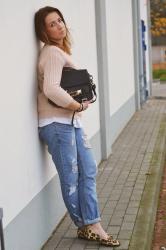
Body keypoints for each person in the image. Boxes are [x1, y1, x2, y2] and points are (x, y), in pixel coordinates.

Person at [34, 6, 120, 247]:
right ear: (44, 30)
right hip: (57, 123)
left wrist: (77, 107)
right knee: (72, 178)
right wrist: (76, 105)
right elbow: (51, 88)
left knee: (88, 171)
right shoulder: (52, 53)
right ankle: (87, 226)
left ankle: (92, 223)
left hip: (70, 123)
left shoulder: (59, 51)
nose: (59, 25)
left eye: (60, 20)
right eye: (52, 23)